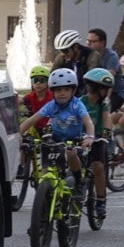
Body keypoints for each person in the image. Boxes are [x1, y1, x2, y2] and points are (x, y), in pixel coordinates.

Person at [20, 67, 97, 211]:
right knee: (45, 173)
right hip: (55, 139)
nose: (62, 93)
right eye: (58, 90)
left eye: (66, 90)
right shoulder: (51, 105)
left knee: (70, 153)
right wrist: (19, 134)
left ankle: (79, 182)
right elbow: (31, 120)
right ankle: (42, 217)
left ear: (73, 91)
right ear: (53, 91)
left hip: (73, 139)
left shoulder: (76, 104)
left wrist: (90, 136)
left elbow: (88, 122)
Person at [78, 67, 116, 220]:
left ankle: (100, 200)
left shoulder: (104, 104)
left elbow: (106, 118)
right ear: (95, 87)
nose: (106, 92)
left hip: (98, 138)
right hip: (81, 137)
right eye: (104, 89)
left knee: (98, 167)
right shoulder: (81, 101)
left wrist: (106, 131)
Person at [17, 65, 55, 183]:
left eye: (42, 80)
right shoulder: (31, 95)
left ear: (47, 83)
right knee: (24, 141)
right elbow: (20, 101)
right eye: (35, 80)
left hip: (49, 128)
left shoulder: (51, 96)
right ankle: (21, 166)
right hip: (35, 126)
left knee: (48, 148)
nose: (38, 83)